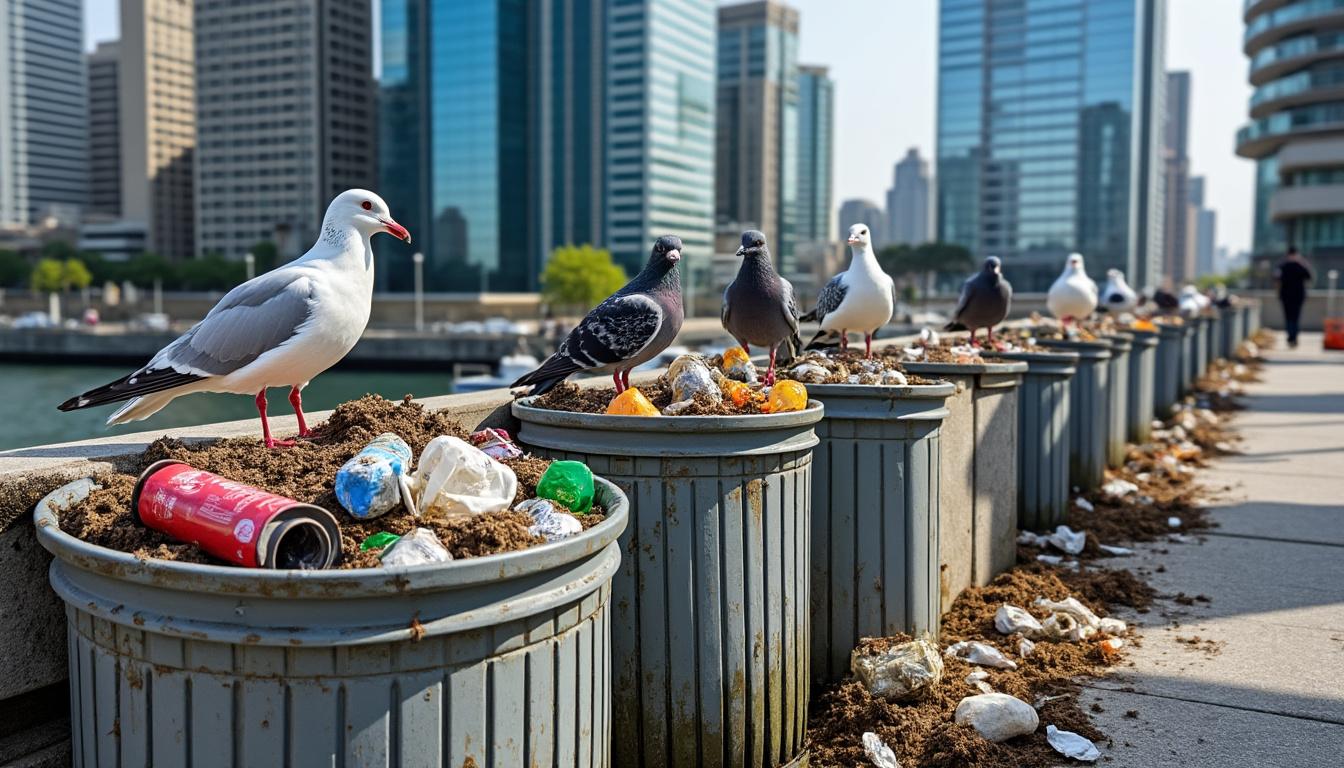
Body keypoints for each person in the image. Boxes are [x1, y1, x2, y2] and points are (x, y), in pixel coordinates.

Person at [1274, 246, 1315, 348]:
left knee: (1289, 317)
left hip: (1287, 295)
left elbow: (1276, 280)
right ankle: (1293, 337)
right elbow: (1310, 277)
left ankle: (1291, 337)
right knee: (1294, 317)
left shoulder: (1282, 266)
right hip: (1296, 295)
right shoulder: (1300, 265)